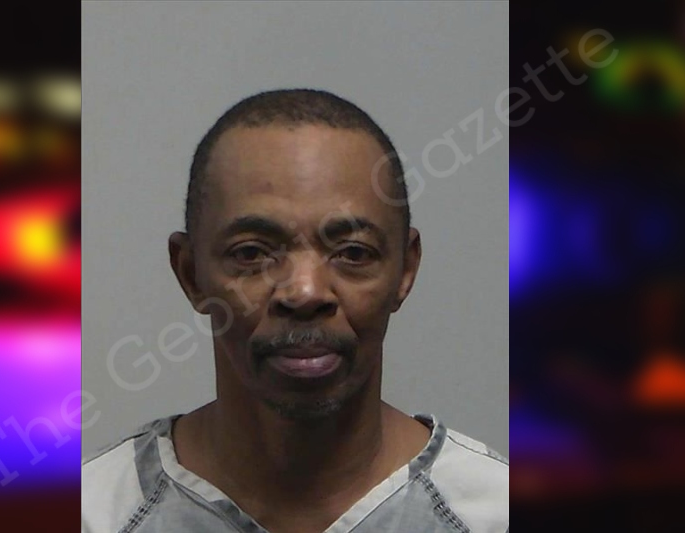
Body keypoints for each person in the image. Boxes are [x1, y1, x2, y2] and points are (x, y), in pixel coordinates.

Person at [82, 89, 508, 533]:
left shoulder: (493, 514)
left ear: (405, 270)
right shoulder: (94, 514)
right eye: (251, 253)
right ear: (191, 274)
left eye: (353, 253)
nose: (305, 292)